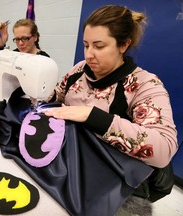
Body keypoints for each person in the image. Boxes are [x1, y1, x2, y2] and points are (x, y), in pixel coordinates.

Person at [42, 5, 178, 215]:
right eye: (86, 45)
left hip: (117, 186)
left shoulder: (144, 85)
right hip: (73, 165)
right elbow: (53, 98)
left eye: (99, 46)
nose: (89, 55)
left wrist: (94, 117)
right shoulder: (79, 71)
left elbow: (164, 149)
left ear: (124, 45)